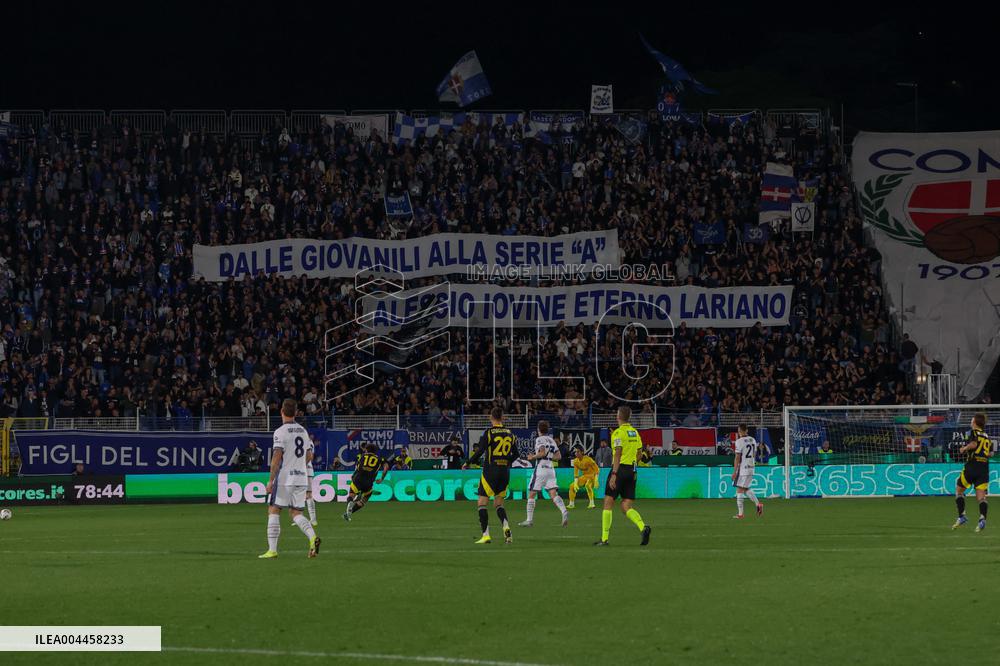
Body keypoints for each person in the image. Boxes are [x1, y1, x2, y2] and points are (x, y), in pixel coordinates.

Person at [259, 399, 320, 559]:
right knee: (296, 513)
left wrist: (270, 480)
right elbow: (309, 455)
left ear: (281, 411)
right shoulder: (303, 431)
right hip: (301, 478)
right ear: (296, 412)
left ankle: (272, 550)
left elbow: (276, 458)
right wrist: (299, 465)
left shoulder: (280, 432)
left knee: (274, 510)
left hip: (285, 478)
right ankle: (312, 538)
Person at [595, 406, 651, 546]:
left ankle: (604, 539)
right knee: (626, 505)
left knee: (608, 502)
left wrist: (614, 474)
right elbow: (639, 454)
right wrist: (633, 467)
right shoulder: (635, 432)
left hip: (619, 469)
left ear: (618, 416)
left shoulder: (618, 433)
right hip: (632, 471)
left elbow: (618, 454)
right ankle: (643, 527)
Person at [463, 407, 518, 544]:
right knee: (499, 504)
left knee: (482, 503)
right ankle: (506, 528)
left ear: (491, 417)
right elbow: (516, 454)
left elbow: (480, 451)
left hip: (490, 471)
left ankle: (486, 535)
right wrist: (507, 463)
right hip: (504, 472)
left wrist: (468, 462)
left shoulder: (489, 433)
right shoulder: (510, 434)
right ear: (502, 417)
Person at [519, 420, 568, 527]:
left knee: (532, 494)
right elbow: (559, 456)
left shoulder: (539, 439)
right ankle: (564, 511)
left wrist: (533, 457)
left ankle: (529, 520)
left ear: (538, 429)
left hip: (541, 468)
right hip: (550, 469)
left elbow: (542, 452)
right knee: (553, 494)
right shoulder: (551, 440)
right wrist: (548, 456)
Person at [952, 413, 993, 532]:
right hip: (984, 468)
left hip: (972, 466)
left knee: (959, 491)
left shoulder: (973, 432)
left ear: (975, 422)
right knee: (981, 497)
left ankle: (962, 516)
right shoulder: (987, 437)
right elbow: (991, 453)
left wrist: (964, 449)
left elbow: (974, 444)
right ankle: (982, 519)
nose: (971, 421)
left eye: (972, 419)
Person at [343, 443, 389, 522]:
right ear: (375, 451)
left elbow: (357, 468)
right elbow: (386, 467)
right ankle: (349, 513)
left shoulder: (362, 456)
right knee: (364, 499)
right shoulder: (380, 459)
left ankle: (350, 503)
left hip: (358, 479)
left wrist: (353, 476)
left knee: (351, 495)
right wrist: (382, 478)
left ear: (366, 450)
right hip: (368, 482)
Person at [731, 424, 764, 519]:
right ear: (747, 430)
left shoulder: (739, 441)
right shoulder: (753, 440)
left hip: (743, 468)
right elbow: (754, 454)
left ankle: (740, 514)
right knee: (746, 488)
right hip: (751, 467)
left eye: (739, 431)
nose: (739, 432)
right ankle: (758, 504)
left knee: (739, 489)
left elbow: (737, 457)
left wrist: (734, 472)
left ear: (740, 431)